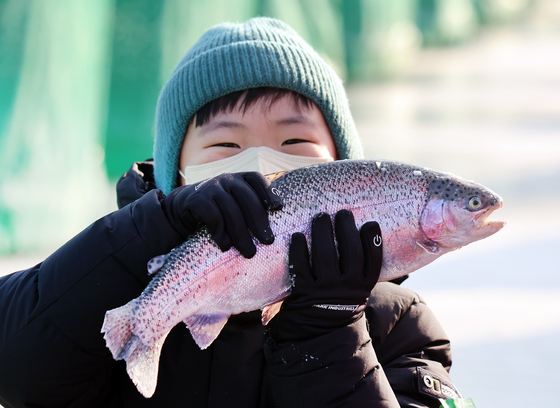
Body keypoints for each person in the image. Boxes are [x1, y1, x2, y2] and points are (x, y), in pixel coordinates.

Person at [0, 17, 461, 408]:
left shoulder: (399, 324)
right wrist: (152, 228)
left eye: (294, 144)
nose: (262, 167)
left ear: (349, 174)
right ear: (177, 179)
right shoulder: (110, 280)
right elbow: (17, 365)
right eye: (226, 146)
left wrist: (330, 330)